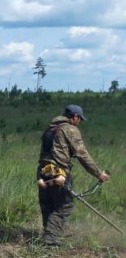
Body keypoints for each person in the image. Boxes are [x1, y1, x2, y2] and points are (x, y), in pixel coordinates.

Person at [37, 103, 109, 246]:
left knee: (48, 203)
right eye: (80, 119)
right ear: (75, 117)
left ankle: (47, 234)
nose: (80, 122)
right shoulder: (70, 129)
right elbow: (82, 154)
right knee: (65, 205)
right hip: (59, 171)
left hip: (42, 170)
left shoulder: (50, 129)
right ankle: (50, 237)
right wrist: (98, 174)